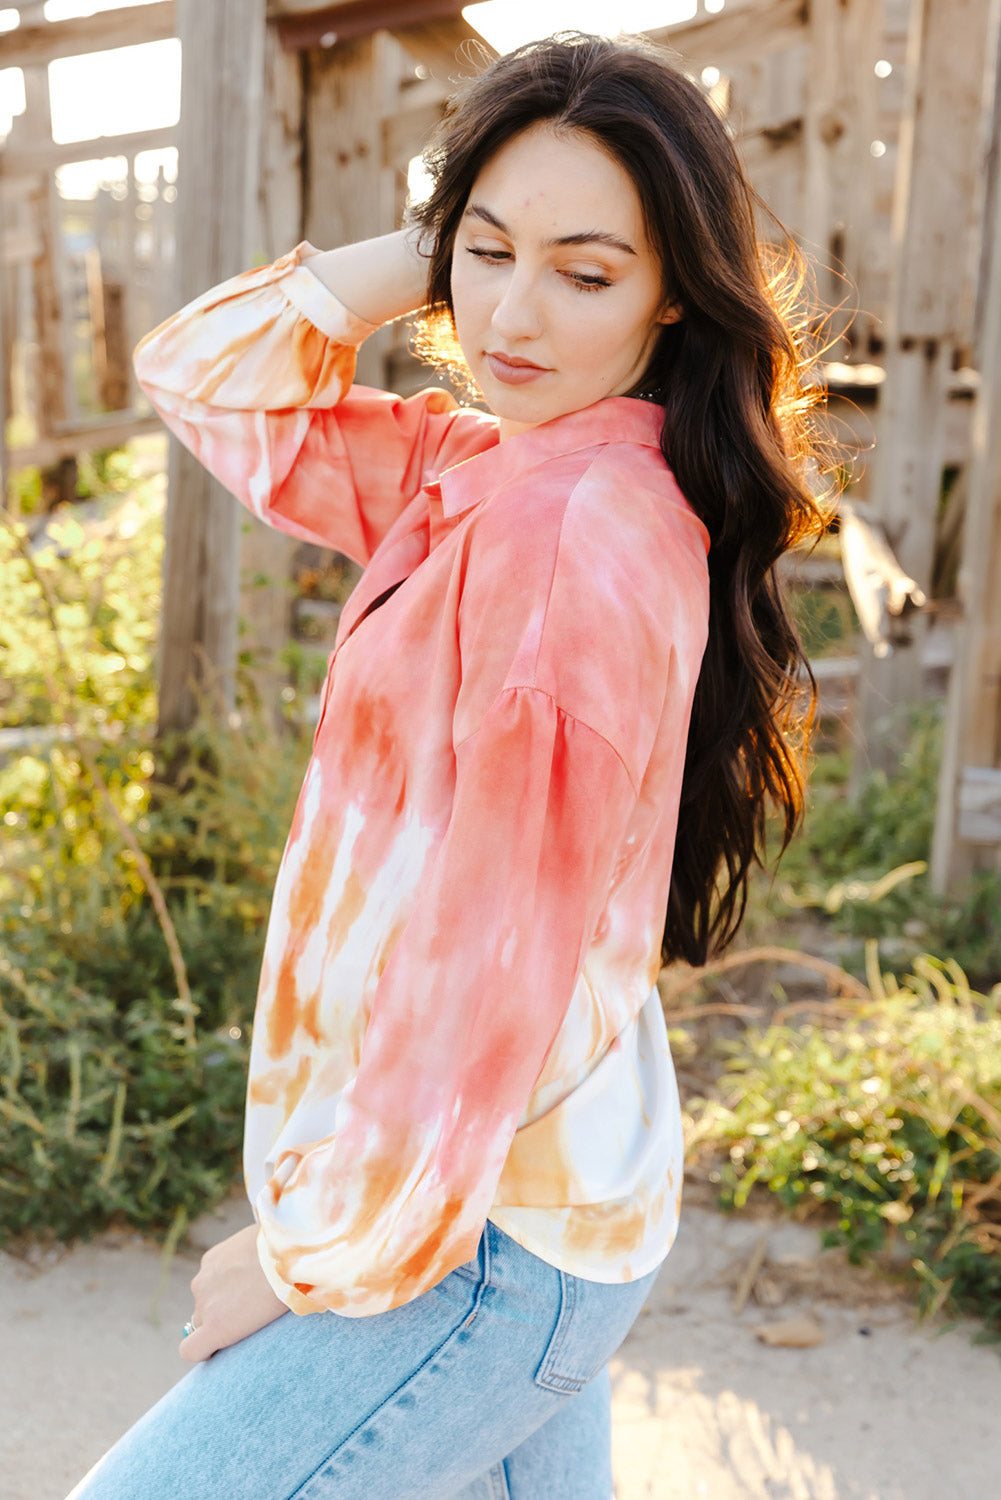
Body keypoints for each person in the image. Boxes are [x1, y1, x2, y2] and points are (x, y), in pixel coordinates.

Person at [68, 30, 829, 1500]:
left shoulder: (562, 549)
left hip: (471, 1241)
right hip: (528, 1212)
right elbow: (205, 378)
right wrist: (443, 246)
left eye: (585, 274)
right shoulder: (481, 468)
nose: (512, 316)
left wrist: (299, 1261)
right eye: (484, 255)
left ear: (674, 290)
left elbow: (492, 975)